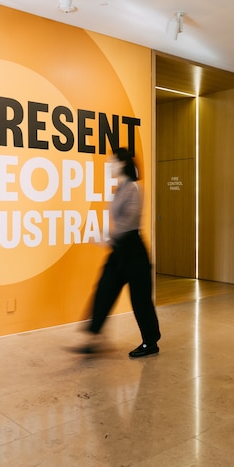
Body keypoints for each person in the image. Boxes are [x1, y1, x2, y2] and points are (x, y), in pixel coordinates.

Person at [73, 148, 161, 358]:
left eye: (112, 161)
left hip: (133, 251)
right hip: (119, 251)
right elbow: (119, 222)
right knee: (104, 290)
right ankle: (94, 338)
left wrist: (107, 238)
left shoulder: (133, 188)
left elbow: (130, 221)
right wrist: (108, 237)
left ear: (122, 163)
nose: (109, 165)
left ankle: (151, 342)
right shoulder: (119, 188)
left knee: (140, 301)